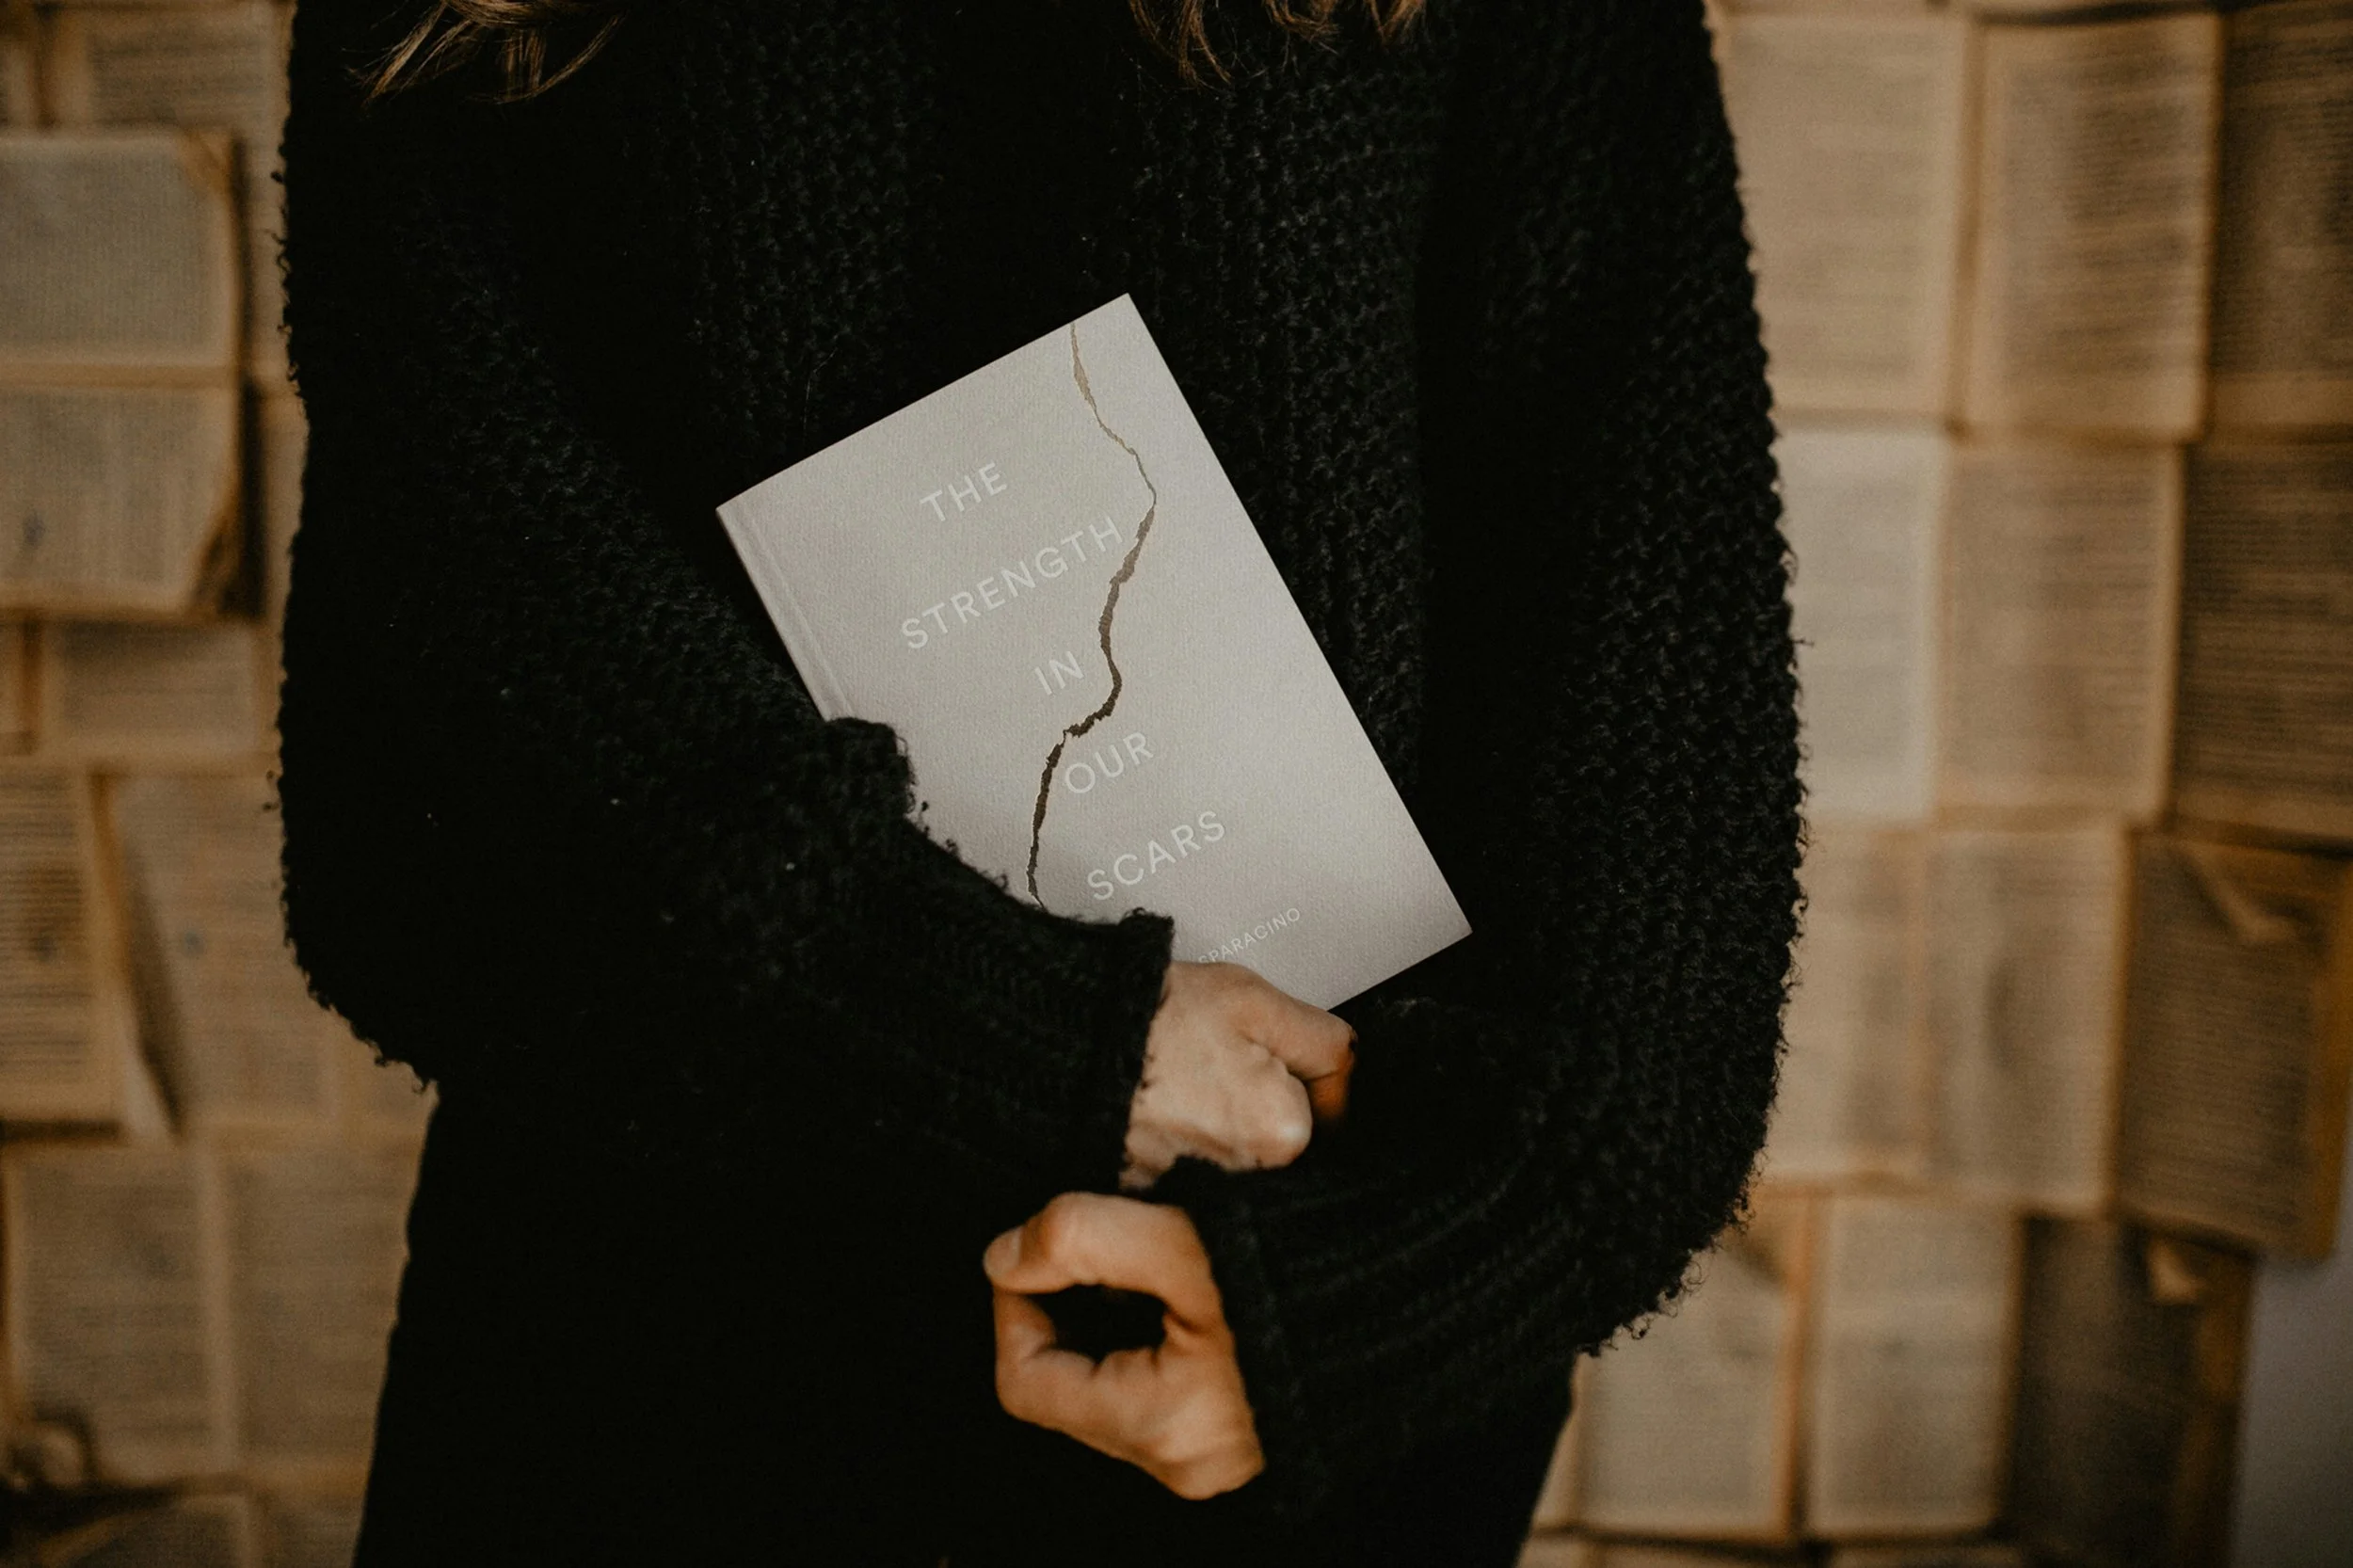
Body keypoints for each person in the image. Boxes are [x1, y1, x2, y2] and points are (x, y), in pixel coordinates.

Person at [273, 0, 1801, 1561]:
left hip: (1282, 1310)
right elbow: (421, 726)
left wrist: (1423, 1279)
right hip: (649, 1319)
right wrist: (1037, 1036)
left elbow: (1657, 651)